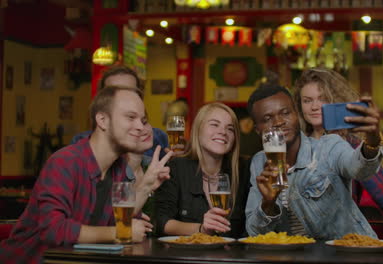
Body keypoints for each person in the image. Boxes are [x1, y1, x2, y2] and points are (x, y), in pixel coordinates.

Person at [0, 86, 173, 263]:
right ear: (102, 120)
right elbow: (53, 230)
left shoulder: (119, 168)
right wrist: (122, 232)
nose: (140, 127)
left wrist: (146, 186)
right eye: (131, 117)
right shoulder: (65, 162)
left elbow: (121, 225)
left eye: (143, 120)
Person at [293, 67, 383, 240]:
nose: (315, 106)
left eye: (322, 99)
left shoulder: (351, 144)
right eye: (307, 101)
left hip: (342, 242)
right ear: (299, 106)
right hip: (302, 243)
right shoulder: (295, 145)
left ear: (335, 101)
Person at [245, 83, 383, 240]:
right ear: (258, 130)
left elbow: (360, 170)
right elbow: (254, 232)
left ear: (296, 114)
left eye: (285, 113)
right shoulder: (259, 163)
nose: (278, 122)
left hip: (350, 253)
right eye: (268, 118)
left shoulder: (328, 147)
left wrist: (372, 141)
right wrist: (267, 204)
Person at [153, 102, 250, 238]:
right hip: (187, 256)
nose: (223, 132)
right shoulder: (177, 167)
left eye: (230, 128)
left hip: (232, 257)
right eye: (214, 124)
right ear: (198, 130)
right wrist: (202, 229)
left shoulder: (245, 170)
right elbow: (162, 222)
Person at [71, 65, 169, 159]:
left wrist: (178, 160)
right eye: (113, 92)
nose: (123, 97)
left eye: (130, 92)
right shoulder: (81, 142)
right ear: (101, 100)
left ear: (140, 96)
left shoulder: (157, 138)